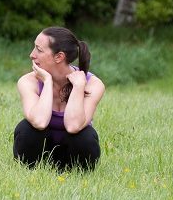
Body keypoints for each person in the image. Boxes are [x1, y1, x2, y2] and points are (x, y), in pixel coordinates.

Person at [13, 26, 105, 171]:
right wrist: (48, 82)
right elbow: (39, 121)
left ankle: (76, 173)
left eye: (39, 49)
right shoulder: (27, 81)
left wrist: (78, 87)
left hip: (72, 155)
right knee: (27, 128)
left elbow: (74, 126)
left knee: (85, 135)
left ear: (59, 57)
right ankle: (30, 170)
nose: (32, 54)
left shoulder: (93, 84)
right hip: (41, 153)